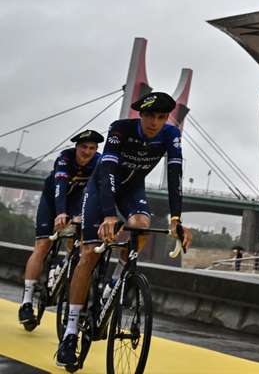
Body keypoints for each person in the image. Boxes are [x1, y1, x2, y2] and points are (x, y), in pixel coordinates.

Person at [55, 92, 193, 368]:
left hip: (132, 189)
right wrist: (108, 214)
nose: (155, 122)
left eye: (161, 117)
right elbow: (106, 172)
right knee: (89, 255)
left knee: (141, 224)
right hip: (102, 188)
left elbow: (175, 173)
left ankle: (117, 282)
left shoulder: (170, 135)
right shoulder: (120, 129)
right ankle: (70, 333)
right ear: (140, 115)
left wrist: (176, 219)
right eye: (150, 116)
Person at [17, 130, 103, 329]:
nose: (87, 152)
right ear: (76, 147)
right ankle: (27, 301)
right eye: (83, 147)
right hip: (54, 201)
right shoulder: (64, 159)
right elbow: (60, 188)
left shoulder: (98, 162)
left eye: (92, 148)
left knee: (81, 244)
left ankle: (65, 267)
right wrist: (60, 212)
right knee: (43, 245)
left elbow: (99, 190)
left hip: (77, 203)